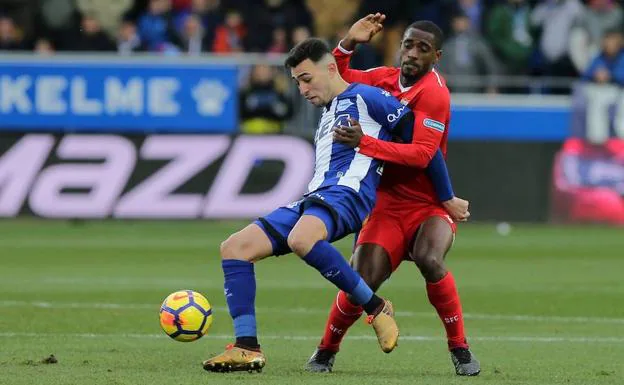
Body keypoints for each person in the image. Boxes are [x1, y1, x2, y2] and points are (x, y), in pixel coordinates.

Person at [201, 37, 405, 373]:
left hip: (348, 193)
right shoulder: (327, 115)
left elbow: (421, 141)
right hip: (317, 195)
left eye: (307, 79)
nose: (302, 89)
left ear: (330, 68)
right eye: (297, 83)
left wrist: (442, 196)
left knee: (301, 239)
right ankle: (246, 347)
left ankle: (376, 306)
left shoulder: (367, 97)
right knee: (235, 247)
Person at [305, 15, 480, 376]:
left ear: (437, 57)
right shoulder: (383, 79)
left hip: (428, 203)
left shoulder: (434, 93)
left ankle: (460, 349)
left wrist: (365, 144)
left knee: (430, 258)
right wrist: (348, 43)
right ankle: (325, 351)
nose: (413, 53)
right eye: (408, 44)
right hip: (384, 203)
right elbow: (337, 78)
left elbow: (422, 154)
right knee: (361, 282)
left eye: (423, 49)